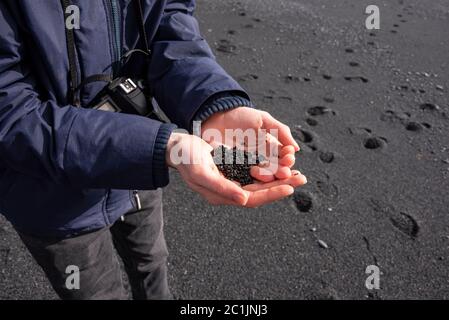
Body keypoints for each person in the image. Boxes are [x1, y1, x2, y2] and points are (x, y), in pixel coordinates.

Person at [0, 0, 307, 299]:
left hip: (138, 164)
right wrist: (164, 147)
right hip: (52, 203)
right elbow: (11, 114)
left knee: (152, 262)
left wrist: (214, 104)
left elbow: (167, 20)